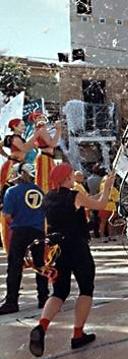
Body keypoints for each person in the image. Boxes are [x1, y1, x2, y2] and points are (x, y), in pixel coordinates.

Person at [29, 163, 116, 357]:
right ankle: (78, 334)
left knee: (59, 291)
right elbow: (100, 204)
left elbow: (86, 201)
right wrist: (107, 185)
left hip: (58, 250)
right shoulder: (74, 195)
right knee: (86, 288)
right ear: (68, 177)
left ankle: (42, 326)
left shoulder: (48, 197)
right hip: (77, 248)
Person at [0, 163, 48, 314]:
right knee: (40, 264)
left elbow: (7, 216)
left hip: (20, 231)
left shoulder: (11, 191)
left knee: (15, 266)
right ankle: (43, 298)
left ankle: (12, 301)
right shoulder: (40, 191)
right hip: (38, 231)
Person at [1, 118, 38, 253]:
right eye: (21, 125)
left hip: (17, 165)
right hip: (12, 167)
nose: (23, 127)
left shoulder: (17, 138)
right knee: (10, 194)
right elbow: (25, 148)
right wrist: (36, 134)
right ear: (15, 127)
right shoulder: (15, 138)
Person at [30, 112, 62, 193]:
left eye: (42, 117)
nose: (42, 118)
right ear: (35, 120)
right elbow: (52, 144)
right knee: (45, 184)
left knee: (49, 182)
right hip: (45, 158)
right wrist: (58, 130)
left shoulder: (41, 129)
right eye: (39, 117)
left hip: (47, 157)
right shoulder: (41, 128)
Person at [97, 174, 119, 241]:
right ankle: (102, 236)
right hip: (104, 207)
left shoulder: (114, 189)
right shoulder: (103, 186)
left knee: (111, 222)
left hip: (112, 208)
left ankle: (111, 235)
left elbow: (117, 198)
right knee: (103, 222)